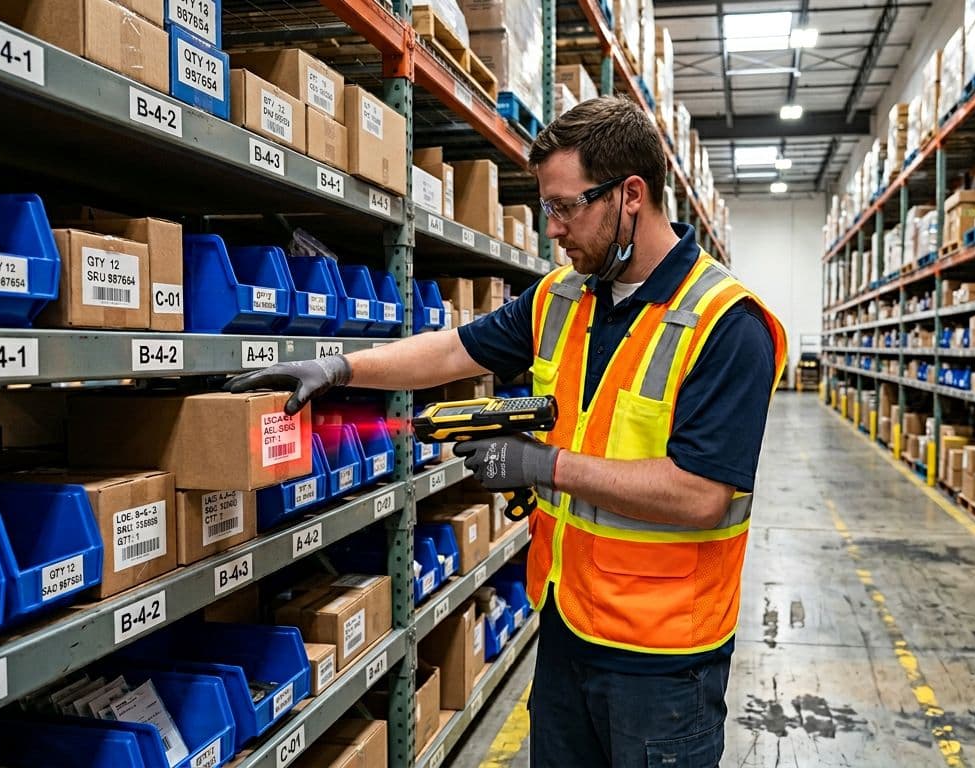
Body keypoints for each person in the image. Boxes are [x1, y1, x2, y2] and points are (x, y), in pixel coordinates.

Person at [226, 95, 786, 767]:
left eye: (565, 206)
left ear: (631, 195)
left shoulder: (726, 322)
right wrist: (339, 366)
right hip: (569, 624)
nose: (553, 228)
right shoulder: (563, 297)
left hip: (665, 659)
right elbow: (454, 350)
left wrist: (542, 467)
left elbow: (702, 496)